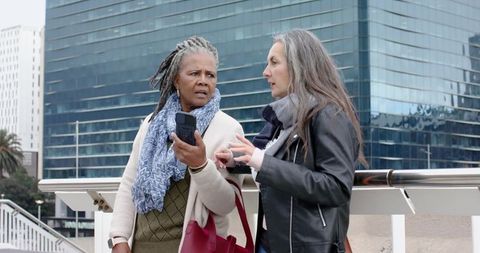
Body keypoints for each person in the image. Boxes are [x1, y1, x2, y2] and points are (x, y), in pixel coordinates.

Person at [215, 29, 366, 253]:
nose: (266, 72)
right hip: (273, 241)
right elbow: (279, 162)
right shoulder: (286, 117)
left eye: (274, 63)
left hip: (310, 246)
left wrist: (262, 162)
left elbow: (336, 186)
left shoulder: (328, 115)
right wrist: (237, 161)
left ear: (300, 66)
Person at [108, 36, 244, 253]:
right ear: (176, 80)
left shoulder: (228, 128)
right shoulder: (152, 124)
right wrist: (119, 238)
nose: (203, 80)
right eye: (194, 73)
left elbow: (226, 204)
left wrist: (200, 165)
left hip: (192, 247)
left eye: (210, 75)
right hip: (140, 247)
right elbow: (129, 182)